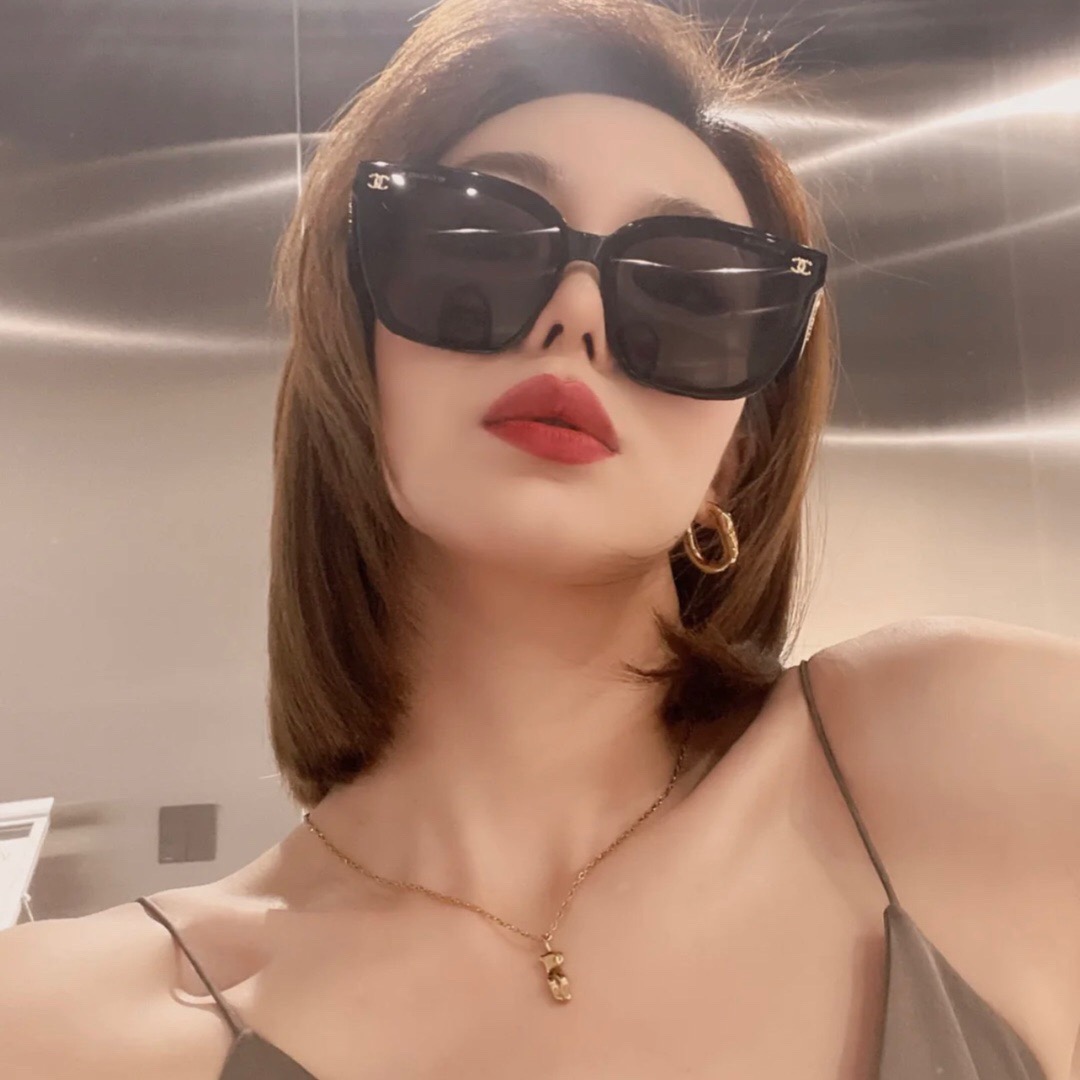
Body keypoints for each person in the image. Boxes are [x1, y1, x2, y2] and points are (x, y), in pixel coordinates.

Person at [3, 0, 1078, 1077]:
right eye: (477, 246)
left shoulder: (980, 758)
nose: (577, 316)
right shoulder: (61, 1026)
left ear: (731, 461)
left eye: (689, 294)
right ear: (359, 368)